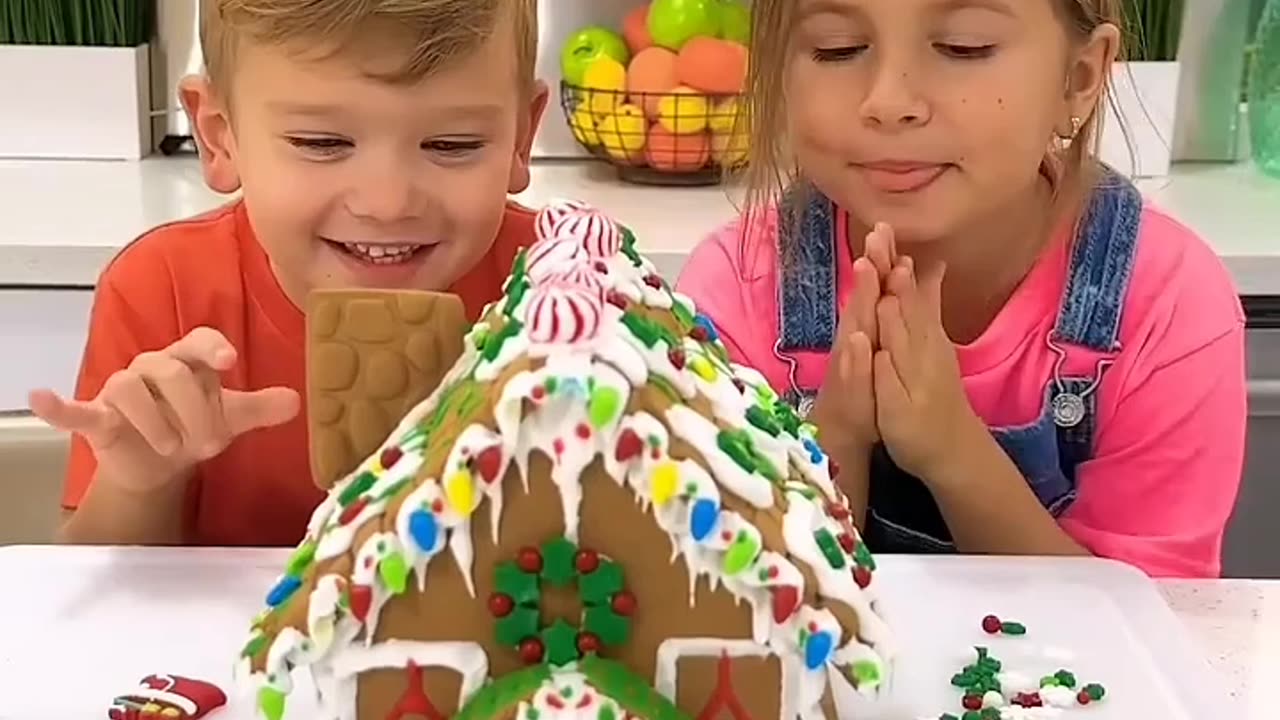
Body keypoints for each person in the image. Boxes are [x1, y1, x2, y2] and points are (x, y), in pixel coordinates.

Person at [677, 0, 1246, 577]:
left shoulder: (1163, 301)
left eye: (963, 47)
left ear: (1078, 79)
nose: (888, 103)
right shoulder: (736, 288)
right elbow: (723, 599)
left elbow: (1155, 621)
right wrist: (838, 433)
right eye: (837, 47)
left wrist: (953, 450)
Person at [28, 0, 548, 547]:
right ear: (219, 136)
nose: (388, 203)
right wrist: (140, 484)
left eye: (452, 145)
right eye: (321, 143)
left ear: (520, 138)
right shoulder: (162, 291)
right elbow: (94, 587)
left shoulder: (566, 284)